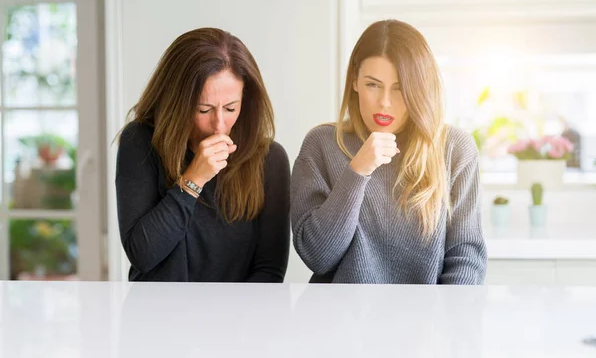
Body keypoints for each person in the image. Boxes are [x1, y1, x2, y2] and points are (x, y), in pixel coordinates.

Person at [290, 19, 487, 284]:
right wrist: (357, 172)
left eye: (400, 89)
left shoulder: (455, 148)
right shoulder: (322, 144)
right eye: (373, 84)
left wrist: (444, 321)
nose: (384, 102)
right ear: (355, 81)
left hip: (427, 322)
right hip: (335, 322)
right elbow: (317, 257)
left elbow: (465, 258)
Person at [116, 27, 290, 282]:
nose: (219, 124)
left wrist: (235, 320)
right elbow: (142, 255)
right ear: (177, 102)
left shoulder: (270, 158)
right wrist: (192, 181)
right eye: (203, 109)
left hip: (239, 318)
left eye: (231, 108)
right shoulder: (140, 141)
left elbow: (270, 270)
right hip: (157, 316)